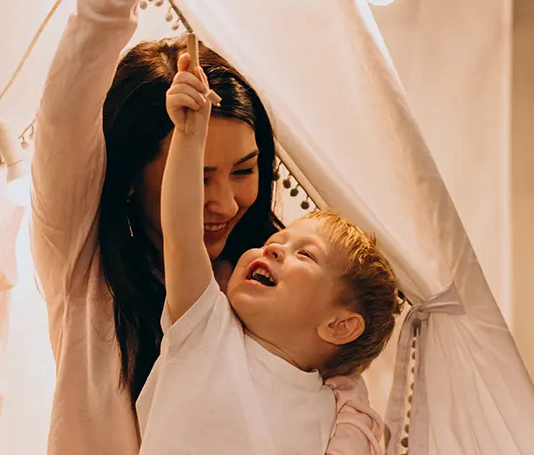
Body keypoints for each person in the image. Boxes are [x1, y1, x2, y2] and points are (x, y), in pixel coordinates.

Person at [31, 0, 388, 453]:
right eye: (198, 176)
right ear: (129, 179)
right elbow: (63, 125)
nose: (224, 202)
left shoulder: (278, 300)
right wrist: (105, 12)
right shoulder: (88, 268)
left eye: (244, 171)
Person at [134, 52, 402, 454]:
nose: (274, 247)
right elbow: (181, 235)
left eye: (305, 254)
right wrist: (189, 136)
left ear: (339, 326)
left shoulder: (333, 413)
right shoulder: (206, 327)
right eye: (275, 242)